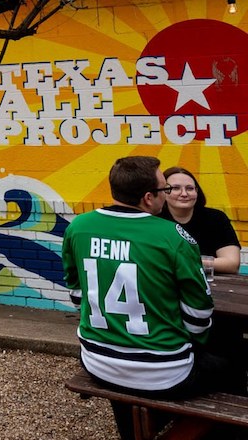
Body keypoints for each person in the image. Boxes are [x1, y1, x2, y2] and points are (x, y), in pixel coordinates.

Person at [61, 156, 232, 440]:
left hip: (96, 362)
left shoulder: (78, 226)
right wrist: (192, 343)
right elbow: (199, 313)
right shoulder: (172, 235)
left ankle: (134, 431)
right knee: (232, 362)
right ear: (148, 197)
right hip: (165, 372)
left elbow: (78, 296)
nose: (169, 195)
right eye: (166, 189)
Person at [160, 166, 242, 275]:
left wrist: (179, 261)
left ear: (197, 192)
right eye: (175, 188)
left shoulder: (216, 218)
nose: (184, 194)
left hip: (214, 285)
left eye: (190, 188)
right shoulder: (155, 219)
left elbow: (232, 264)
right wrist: (207, 262)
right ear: (163, 192)